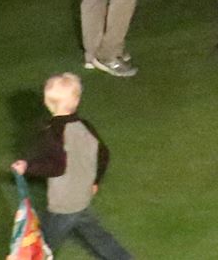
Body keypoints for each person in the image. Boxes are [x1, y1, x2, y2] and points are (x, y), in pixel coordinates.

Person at [14, 71, 135, 260]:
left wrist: (27, 167)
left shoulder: (52, 133)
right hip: (82, 196)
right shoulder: (85, 126)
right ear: (76, 101)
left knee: (42, 245)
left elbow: (56, 166)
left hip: (64, 204)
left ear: (47, 103)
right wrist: (96, 180)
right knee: (98, 237)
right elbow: (103, 154)